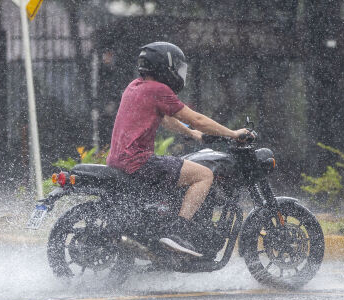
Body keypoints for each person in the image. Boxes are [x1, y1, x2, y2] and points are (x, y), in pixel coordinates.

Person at [106, 41, 252, 258]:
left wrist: (193, 134)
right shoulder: (159, 90)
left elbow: (165, 118)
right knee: (204, 174)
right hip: (139, 162)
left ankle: (164, 227)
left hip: (119, 161)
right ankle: (178, 231)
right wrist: (233, 133)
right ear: (166, 66)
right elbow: (197, 119)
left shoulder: (135, 86)